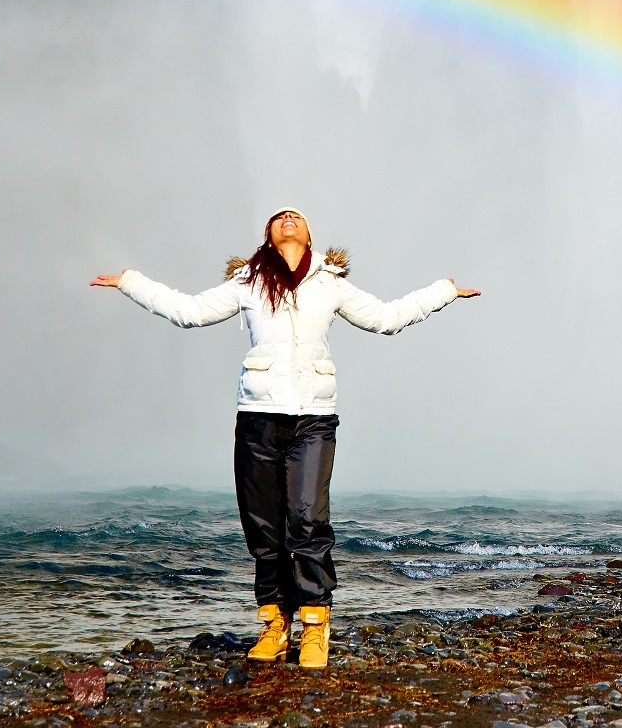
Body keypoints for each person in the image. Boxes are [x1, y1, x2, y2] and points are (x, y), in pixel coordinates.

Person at [90, 207, 479, 669]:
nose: (288, 217)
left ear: (310, 233)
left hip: (314, 419)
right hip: (257, 419)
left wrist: (443, 292)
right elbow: (188, 311)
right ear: (269, 236)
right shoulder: (248, 282)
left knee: (308, 522)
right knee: (264, 529)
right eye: (279, 217)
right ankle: (275, 623)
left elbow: (386, 318)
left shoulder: (330, 283)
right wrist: (131, 282)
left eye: (297, 215)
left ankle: (316, 625)